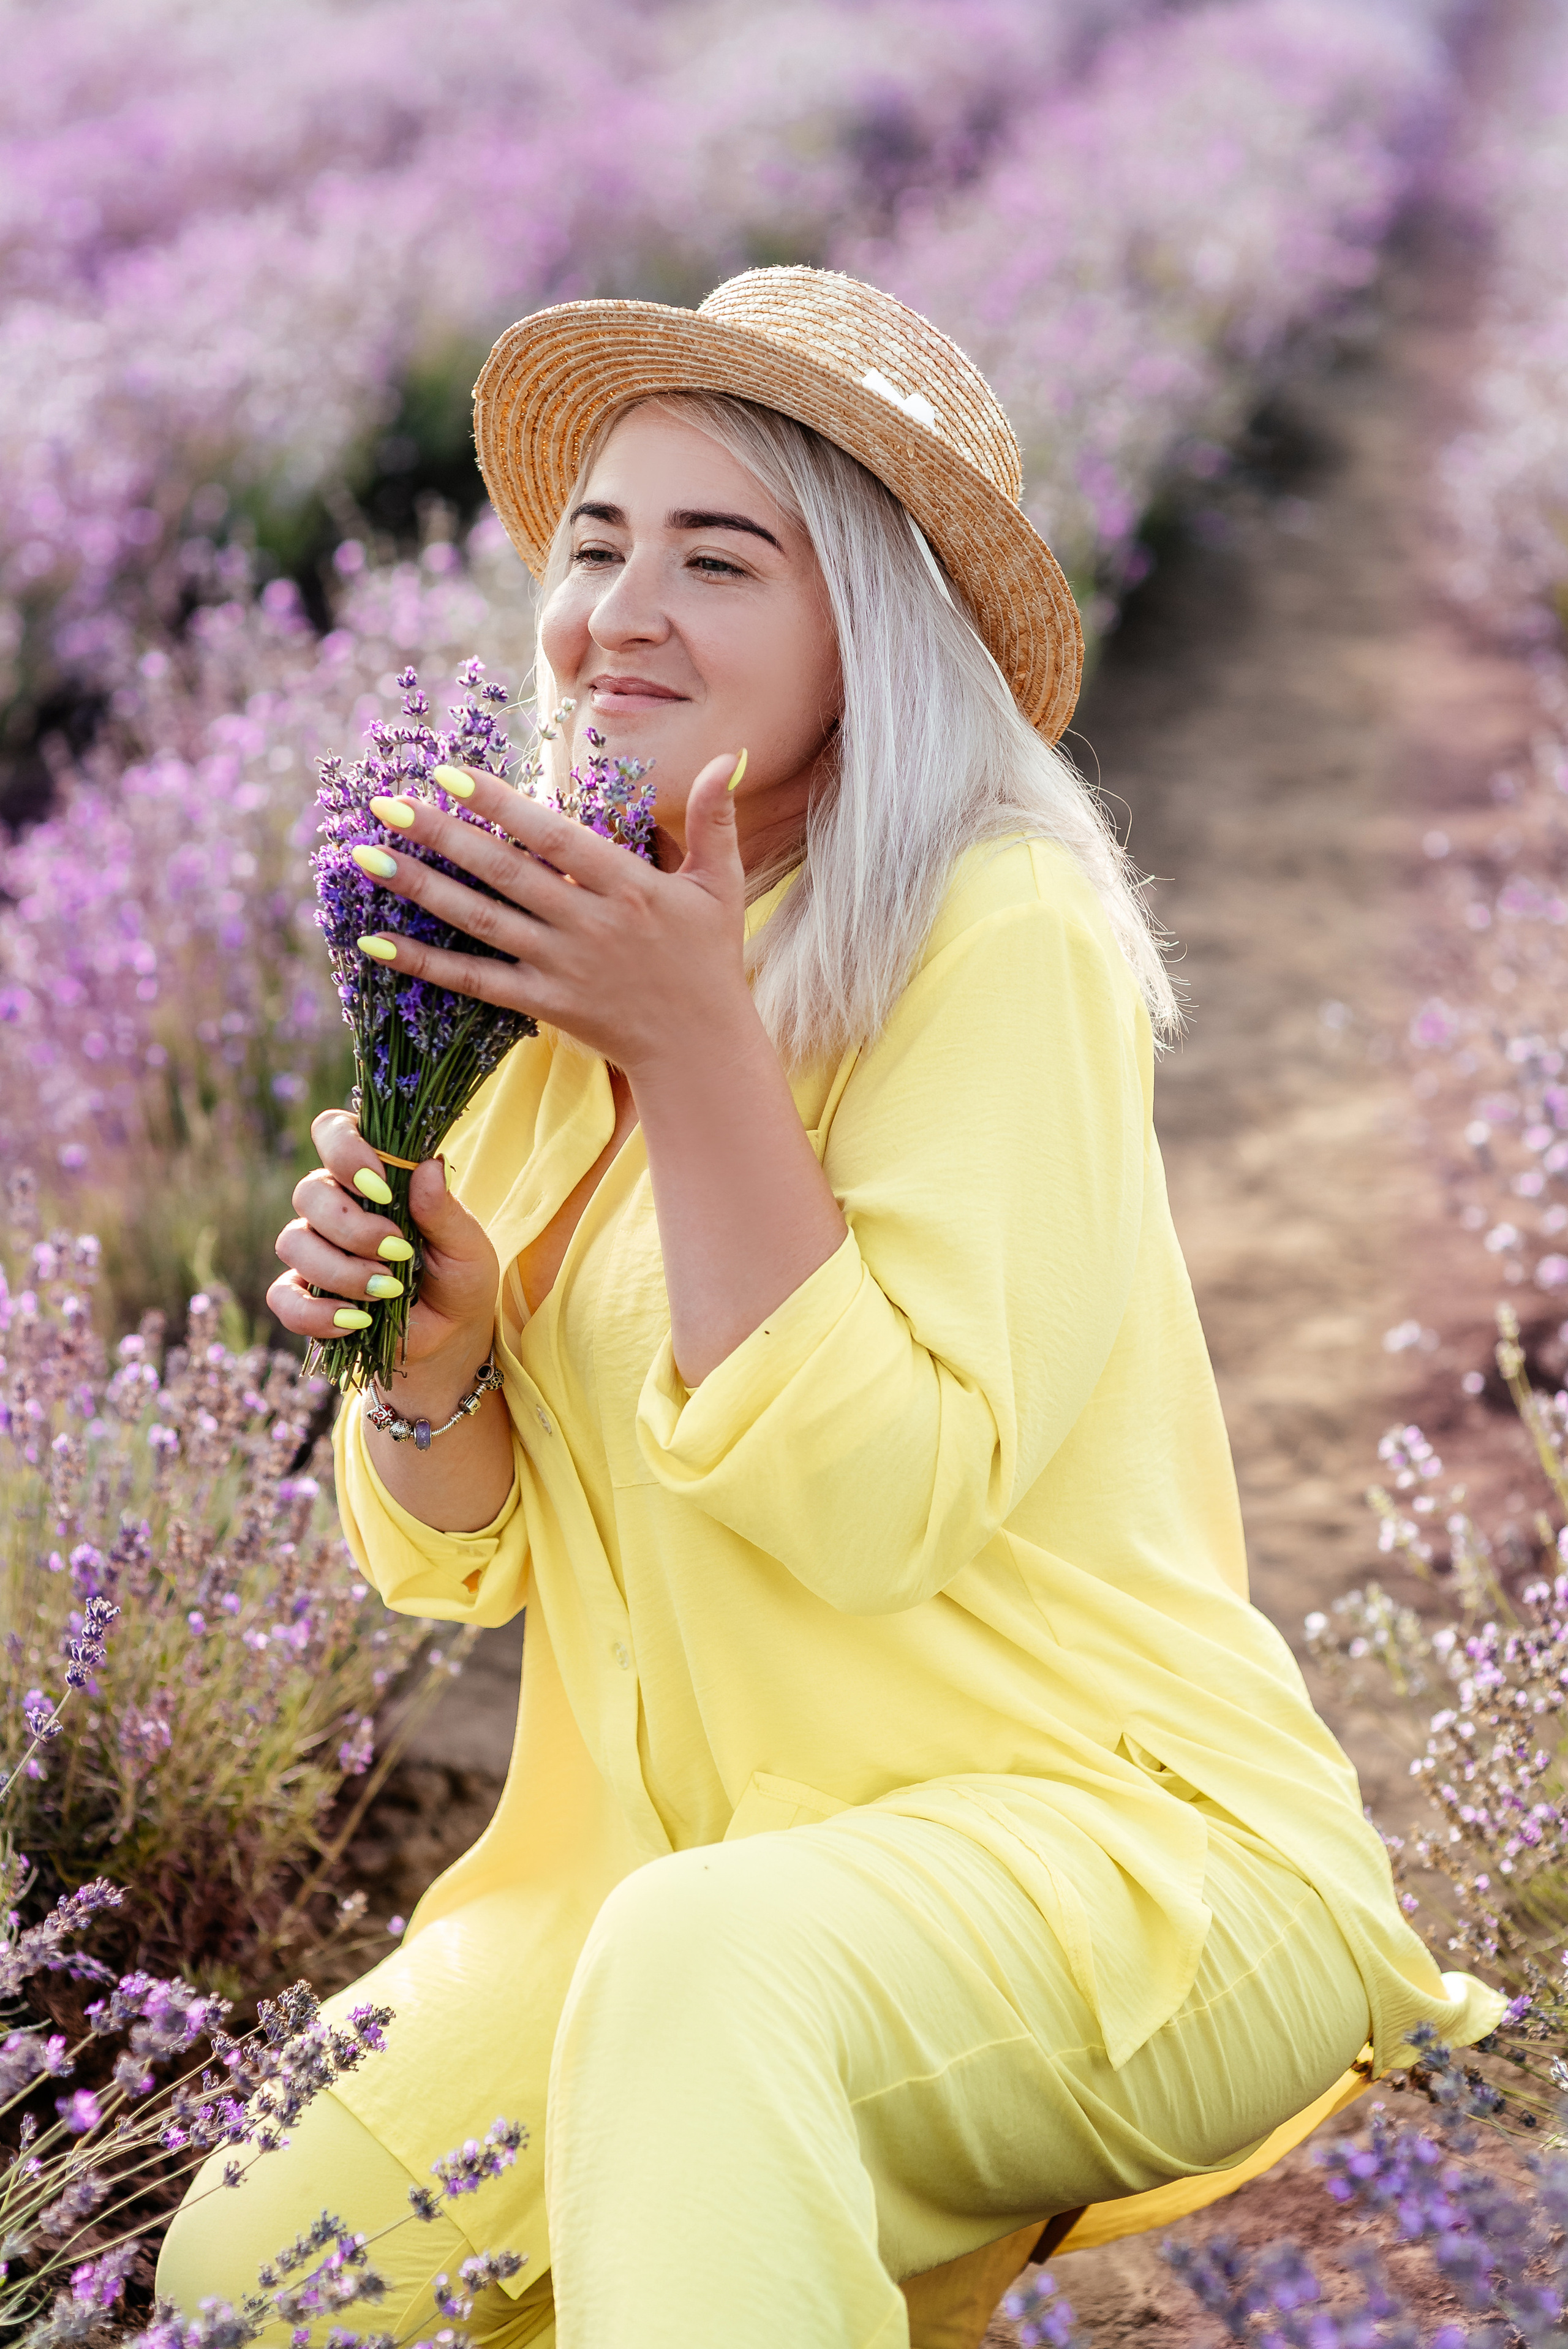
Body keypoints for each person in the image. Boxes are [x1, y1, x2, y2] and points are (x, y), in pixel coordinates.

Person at [159, 267, 1500, 2349]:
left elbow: (883, 1505)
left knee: (721, 1979)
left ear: (867, 622)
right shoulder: (542, 949)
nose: (624, 607)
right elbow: (456, 1565)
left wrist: (702, 1055)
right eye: (595, 545)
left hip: (1119, 1856)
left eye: (721, 554)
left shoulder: (997, 925)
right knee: (253, 2270)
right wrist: (429, 1376)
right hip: (667, 1873)